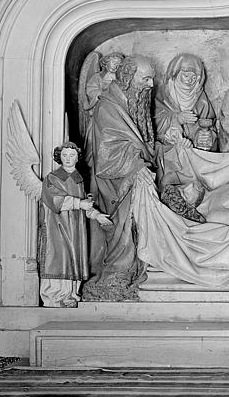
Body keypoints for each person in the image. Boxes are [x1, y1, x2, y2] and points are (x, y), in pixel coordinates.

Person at [83, 55, 156, 301]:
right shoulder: (107, 107)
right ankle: (117, 272)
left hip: (133, 178)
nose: (150, 85)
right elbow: (108, 152)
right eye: (145, 79)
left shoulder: (133, 102)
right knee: (120, 227)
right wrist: (137, 165)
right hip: (115, 182)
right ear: (127, 78)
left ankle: (133, 269)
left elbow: (141, 138)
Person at [39, 142, 111, 307]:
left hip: (76, 228)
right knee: (60, 257)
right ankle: (56, 296)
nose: (68, 159)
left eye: (72, 155)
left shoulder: (78, 179)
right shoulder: (53, 177)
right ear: (59, 157)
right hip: (58, 227)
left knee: (74, 257)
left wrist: (97, 215)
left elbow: (86, 203)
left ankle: (71, 294)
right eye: (64, 155)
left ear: (78, 157)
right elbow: (55, 200)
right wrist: (80, 203)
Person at [155, 53, 218, 186]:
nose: (190, 80)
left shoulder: (201, 99)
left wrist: (205, 137)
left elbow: (210, 126)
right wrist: (176, 118)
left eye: (194, 77)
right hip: (169, 153)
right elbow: (154, 125)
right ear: (175, 73)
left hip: (194, 153)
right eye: (186, 75)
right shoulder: (163, 95)